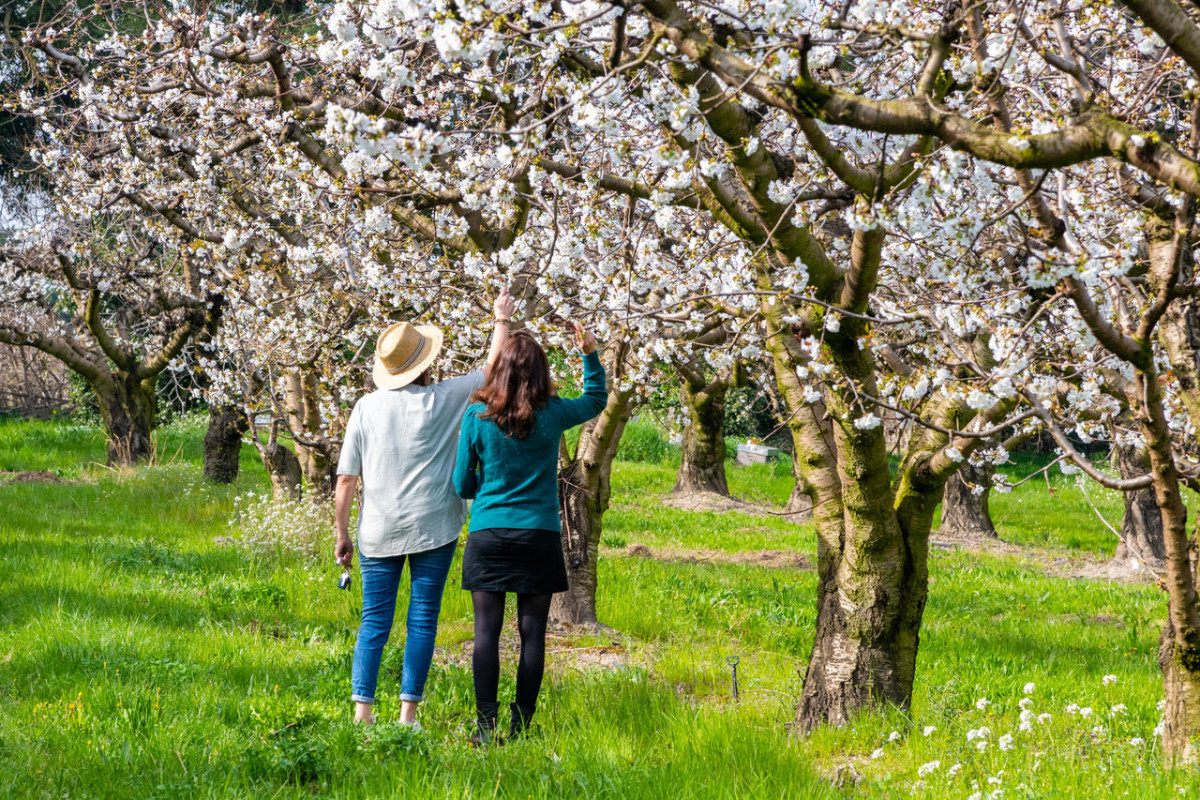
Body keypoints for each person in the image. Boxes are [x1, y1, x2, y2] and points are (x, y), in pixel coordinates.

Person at [334, 288, 517, 728]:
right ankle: (408, 715)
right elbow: (491, 371)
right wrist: (500, 319)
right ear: (424, 364)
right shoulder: (444, 398)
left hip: (378, 531)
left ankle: (362, 714)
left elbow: (345, 479)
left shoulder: (365, 407)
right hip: (434, 526)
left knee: (373, 623)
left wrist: (341, 534)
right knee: (422, 622)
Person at [453, 322, 606, 745]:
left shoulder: (476, 416)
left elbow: (461, 483)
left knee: (486, 632)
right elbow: (596, 398)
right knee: (532, 632)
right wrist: (589, 352)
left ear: (498, 369)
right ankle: (520, 728)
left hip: (488, 535)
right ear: (540, 372)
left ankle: (485, 727)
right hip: (538, 536)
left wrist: (484, 486)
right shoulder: (553, 412)